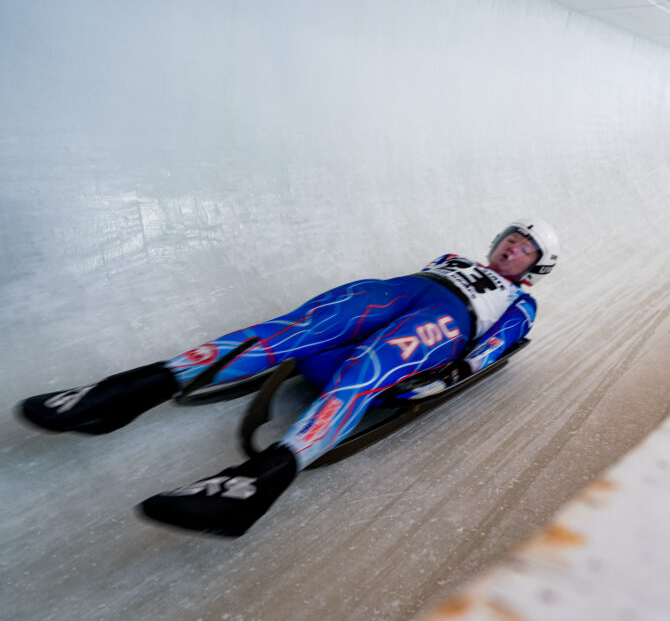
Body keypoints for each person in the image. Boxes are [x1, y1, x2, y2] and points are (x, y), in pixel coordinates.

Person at [17, 218, 559, 537]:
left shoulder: (520, 302)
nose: (512, 247)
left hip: (444, 323)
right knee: (286, 331)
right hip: (391, 292)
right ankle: (127, 391)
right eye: (510, 237)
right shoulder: (448, 256)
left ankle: (254, 484)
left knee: (367, 367)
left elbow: (492, 347)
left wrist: (447, 377)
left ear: (535, 266)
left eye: (525, 248)